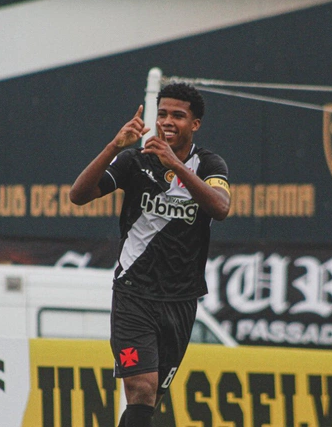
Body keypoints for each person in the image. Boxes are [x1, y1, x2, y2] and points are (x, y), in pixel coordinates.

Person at [69, 83, 230, 427]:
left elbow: (220, 207)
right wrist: (115, 145)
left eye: (178, 115)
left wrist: (175, 164)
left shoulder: (209, 164)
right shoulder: (134, 160)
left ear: (195, 124)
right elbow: (78, 195)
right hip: (134, 293)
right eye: (163, 114)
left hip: (181, 299)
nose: (168, 121)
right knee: (141, 388)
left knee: (150, 402)